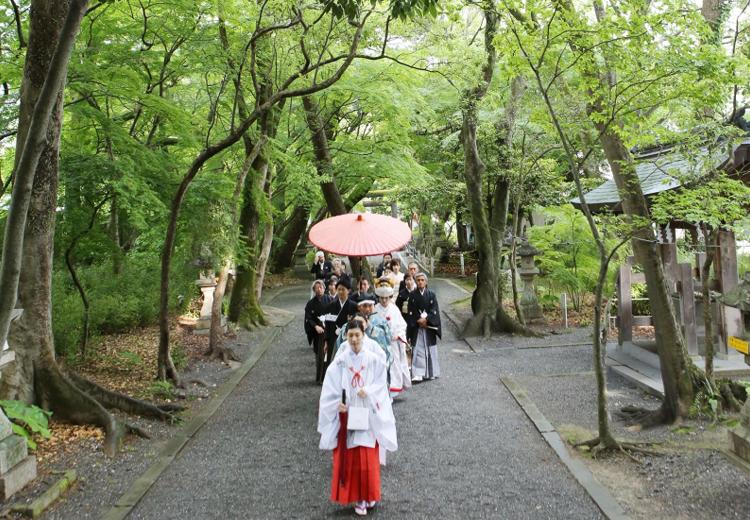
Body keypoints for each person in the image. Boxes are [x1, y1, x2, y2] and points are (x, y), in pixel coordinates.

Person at [318, 320, 397, 517]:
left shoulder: (373, 359)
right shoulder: (340, 361)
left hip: (367, 413)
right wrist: (338, 402)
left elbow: (380, 383)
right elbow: (330, 386)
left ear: (364, 335)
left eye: (357, 335)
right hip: (348, 415)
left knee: (367, 457)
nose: (354, 339)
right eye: (350, 335)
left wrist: (369, 391)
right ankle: (358, 498)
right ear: (346, 336)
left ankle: (370, 494)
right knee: (352, 458)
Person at [374, 284, 411, 399]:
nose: (384, 300)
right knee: (380, 366)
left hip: (393, 343)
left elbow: (402, 325)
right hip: (380, 344)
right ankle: (381, 390)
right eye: (382, 298)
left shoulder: (394, 309)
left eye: (387, 298)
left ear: (390, 297)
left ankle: (392, 391)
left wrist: (398, 335)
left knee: (394, 366)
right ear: (378, 298)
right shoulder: (375, 309)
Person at [406, 273, 442, 382]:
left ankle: (431, 372)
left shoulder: (431, 294)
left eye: (422, 280)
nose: (420, 282)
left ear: (426, 282)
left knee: (430, 348)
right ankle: (418, 373)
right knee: (419, 349)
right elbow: (410, 311)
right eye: (418, 280)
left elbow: (434, 310)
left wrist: (427, 320)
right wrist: (419, 320)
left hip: (428, 326)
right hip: (417, 326)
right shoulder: (412, 295)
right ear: (416, 282)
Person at [324, 279, 359, 375]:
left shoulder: (354, 306)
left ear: (348, 290)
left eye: (343, 289)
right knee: (334, 360)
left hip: (348, 337)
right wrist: (326, 341)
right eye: (338, 289)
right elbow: (327, 325)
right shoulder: (331, 306)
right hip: (333, 337)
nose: (340, 292)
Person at [305, 280, 332, 384]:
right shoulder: (310, 304)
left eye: (321, 287)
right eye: (317, 287)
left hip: (328, 329)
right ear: (314, 290)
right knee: (319, 355)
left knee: (329, 354)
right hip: (317, 332)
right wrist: (315, 326)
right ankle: (319, 378)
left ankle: (328, 378)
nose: (319, 289)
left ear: (324, 288)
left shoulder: (330, 299)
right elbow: (308, 318)